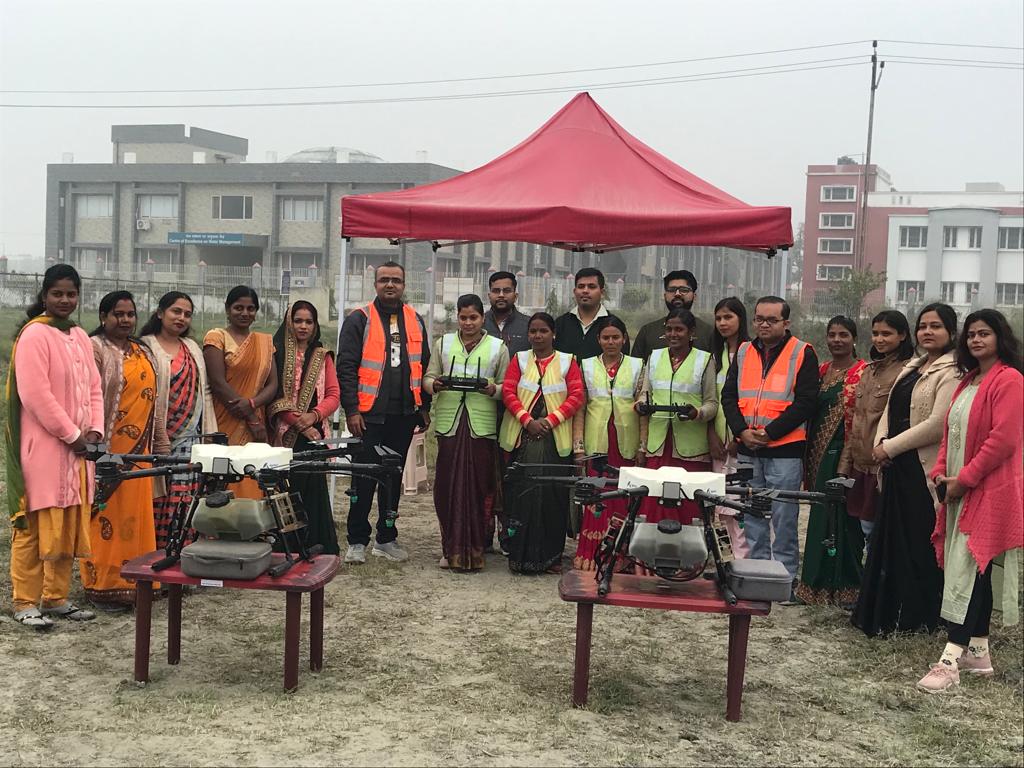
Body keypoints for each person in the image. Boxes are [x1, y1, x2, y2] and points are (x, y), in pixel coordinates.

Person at [917, 309, 1023, 692]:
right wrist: (942, 473)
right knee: (972, 568)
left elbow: (1003, 440)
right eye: (972, 335)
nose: (977, 340)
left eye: (985, 334)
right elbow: (950, 432)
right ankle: (979, 652)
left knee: (968, 568)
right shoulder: (969, 381)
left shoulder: (1009, 380)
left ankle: (950, 658)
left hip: (988, 490)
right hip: (958, 489)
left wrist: (965, 479)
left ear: (1001, 338)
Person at [6, 264, 103, 628]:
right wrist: (73, 435)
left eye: (71, 294)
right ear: (44, 295)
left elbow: (94, 387)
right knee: (35, 523)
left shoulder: (79, 335)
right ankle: (25, 600)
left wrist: (94, 429)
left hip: (79, 451)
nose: (64, 300)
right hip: (44, 449)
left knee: (68, 520)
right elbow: (34, 395)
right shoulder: (34, 335)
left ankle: (56, 598)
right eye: (57, 293)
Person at [852, 303, 958, 636]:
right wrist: (881, 442)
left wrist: (891, 446)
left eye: (936, 326)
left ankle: (919, 617)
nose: (928, 332)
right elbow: (890, 408)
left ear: (951, 333)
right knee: (890, 540)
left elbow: (936, 424)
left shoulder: (951, 370)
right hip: (895, 465)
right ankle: (888, 611)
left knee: (918, 541)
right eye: (924, 326)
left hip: (920, 466)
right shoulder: (913, 365)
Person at [721, 295, 819, 604]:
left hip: (784, 449)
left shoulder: (802, 352)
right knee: (751, 514)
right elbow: (728, 396)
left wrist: (769, 432)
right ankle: (758, 575)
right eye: (759, 319)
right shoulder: (744, 351)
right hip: (749, 447)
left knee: (784, 517)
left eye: (771, 320)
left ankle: (785, 581)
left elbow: (806, 401)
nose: (764, 325)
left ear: (786, 323)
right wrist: (741, 432)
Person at [337, 261, 432, 564]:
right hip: (368, 417)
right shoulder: (358, 319)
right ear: (375, 284)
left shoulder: (415, 320)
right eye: (384, 280)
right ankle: (356, 540)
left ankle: (386, 538)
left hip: (403, 416)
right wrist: (352, 409)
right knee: (362, 479)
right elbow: (346, 367)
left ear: (404, 285)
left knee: (392, 481)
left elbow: (424, 364)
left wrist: (423, 408)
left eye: (396, 280)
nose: (390, 285)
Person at [82, 291, 165, 611]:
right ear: (103, 316)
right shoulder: (94, 348)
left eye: (131, 314)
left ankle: (137, 582)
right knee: (106, 516)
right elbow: (86, 396)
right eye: (118, 313)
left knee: (136, 519)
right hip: (106, 451)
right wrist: (94, 447)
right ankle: (104, 584)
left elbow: (155, 400)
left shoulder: (142, 349)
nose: (126, 319)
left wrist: (159, 444)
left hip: (140, 454)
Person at [425, 294, 509, 571]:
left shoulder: (498, 347)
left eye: (473, 317)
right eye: (463, 317)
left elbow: (506, 387)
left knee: (478, 487)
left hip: (481, 427)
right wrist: (434, 385)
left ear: (482, 318)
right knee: (447, 487)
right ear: (457, 318)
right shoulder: (443, 343)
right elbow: (428, 377)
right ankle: (449, 548)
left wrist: (492, 390)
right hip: (449, 423)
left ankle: (475, 549)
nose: (468, 322)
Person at [499, 312, 585, 573]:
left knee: (552, 497)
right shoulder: (520, 359)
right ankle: (519, 554)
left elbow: (577, 396)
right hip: (522, 436)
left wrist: (549, 421)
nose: (537, 336)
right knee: (520, 495)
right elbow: (509, 391)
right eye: (533, 331)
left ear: (553, 334)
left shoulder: (568, 361)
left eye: (543, 331)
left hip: (554, 438)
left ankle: (551, 557)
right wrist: (527, 420)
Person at [794, 316, 867, 607]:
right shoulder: (822, 371)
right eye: (832, 335)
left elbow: (861, 420)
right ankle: (814, 586)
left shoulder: (862, 373)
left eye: (843, 335)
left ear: (854, 338)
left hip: (843, 454)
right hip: (816, 454)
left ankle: (847, 586)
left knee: (842, 520)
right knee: (820, 516)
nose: (837, 340)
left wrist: (846, 462)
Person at [140, 291, 218, 550]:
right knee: (157, 496)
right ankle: (155, 557)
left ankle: (182, 557)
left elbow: (204, 391)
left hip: (190, 437)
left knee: (185, 499)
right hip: (157, 436)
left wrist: (208, 434)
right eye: (176, 311)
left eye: (187, 314)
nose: (181, 318)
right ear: (160, 313)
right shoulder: (145, 345)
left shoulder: (192, 347)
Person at [268, 301, 342, 556]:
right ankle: (286, 547)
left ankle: (317, 545)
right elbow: (273, 394)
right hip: (284, 434)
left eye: (308, 322)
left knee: (314, 490)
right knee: (285, 490)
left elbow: (333, 394)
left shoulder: (323, 356)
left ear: (315, 325)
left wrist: (313, 416)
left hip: (314, 432)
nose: (303, 326)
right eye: (298, 320)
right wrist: (297, 422)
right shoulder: (275, 353)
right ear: (289, 322)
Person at [837, 310, 914, 555]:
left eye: (887, 334)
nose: (879, 339)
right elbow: (856, 421)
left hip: (884, 466)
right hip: (861, 465)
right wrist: (844, 467)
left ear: (902, 335)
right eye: (876, 333)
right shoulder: (869, 371)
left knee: (880, 534)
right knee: (864, 529)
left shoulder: (908, 372)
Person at [635, 307, 718, 525]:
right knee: (655, 501)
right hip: (659, 444)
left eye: (679, 329)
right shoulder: (655, 357)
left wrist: (696, 413)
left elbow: (712, 403)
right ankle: (651, 553)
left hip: (691, 448)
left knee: (688, 503)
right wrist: (642, 405)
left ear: (692, 332)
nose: (673, 334)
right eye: (669, 329)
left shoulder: (705, 360)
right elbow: (645, 392)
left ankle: (691, 556)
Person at [572, 316, 642, 570]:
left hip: (626, 442)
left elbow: (642, 409)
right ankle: (591, 555)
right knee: (597, 497)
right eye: (605, 337)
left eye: (615, 337)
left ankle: (623, 557)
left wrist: (642, 446)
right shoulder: (586, 365)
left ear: (624, 338)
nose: (610, 342)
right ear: (598, 340)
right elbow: (580, 408)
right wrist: (578, 445)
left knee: (625, 497)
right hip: (597, 443)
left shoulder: (637, 365)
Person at [203, 286, 278, 500]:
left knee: (252, 477)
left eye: (251, 308)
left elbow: (273, 384)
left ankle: (251, 530)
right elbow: (217, 382)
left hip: (255, 425)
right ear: (227, 309)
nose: (245, 313)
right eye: (238, 308)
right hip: (225, 418)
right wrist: (250, 416)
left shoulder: (265, 342)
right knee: (224, 476)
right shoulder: (216, 337)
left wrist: (252, 404)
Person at [707, 297, 751, 558]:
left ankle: (745, 560)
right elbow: (710, 398)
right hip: (718, 444)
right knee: (720, 505)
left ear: (741, 319)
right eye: (719, 318)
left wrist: (739, 436)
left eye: (728, 317)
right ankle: (728, 560)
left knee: (741, 505)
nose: (723, 323)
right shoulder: (715, 355)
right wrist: (711, 434)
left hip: (740, 441)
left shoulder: (751, 352)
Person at [632, 270, 714, 359]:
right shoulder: (648, 331)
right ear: (664, 296)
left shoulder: (708, 332)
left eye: (684, 290)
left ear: (694, 296)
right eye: (672, 290)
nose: (677, 294)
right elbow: (636, 368)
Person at [554, 267, 630, 361]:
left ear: (602, 293)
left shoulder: (615, 326)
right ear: (575, 291)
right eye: (581, 286)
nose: (585, 291)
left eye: (592, 287)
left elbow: (623, 362)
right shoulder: (560, 324)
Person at [483, 271, 531, 356]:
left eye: (507, 291)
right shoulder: (479, 324)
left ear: (515, 296)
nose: (501, 295)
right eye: (496, 291)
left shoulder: (529, 325)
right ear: (489, 296)